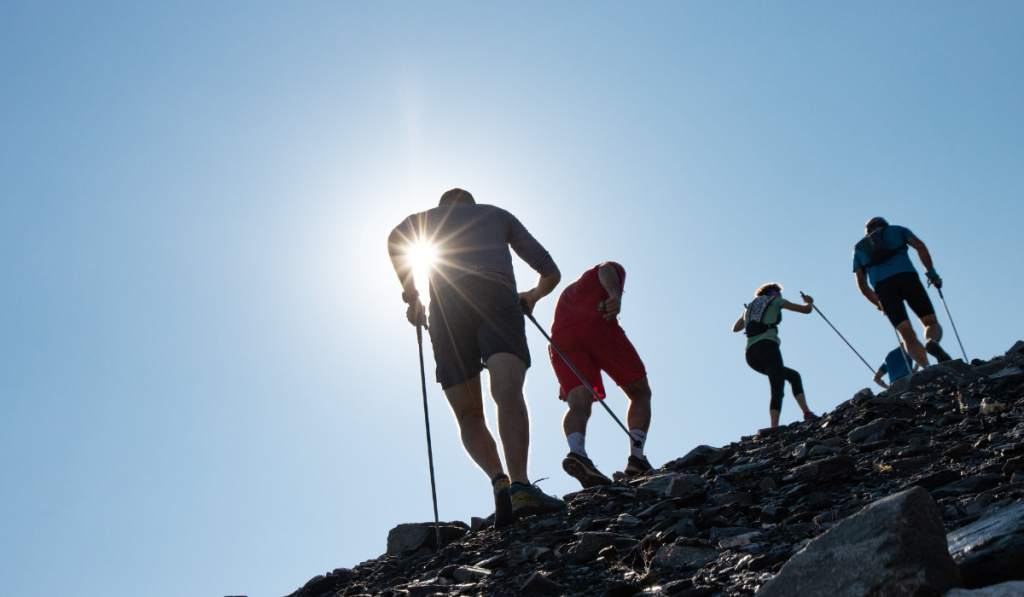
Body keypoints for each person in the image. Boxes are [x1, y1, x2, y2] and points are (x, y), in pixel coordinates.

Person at [387, 188, 564, 527]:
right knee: (507, 392)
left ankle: (497, 479)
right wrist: (533, 295)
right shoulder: (496, 214)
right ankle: (521, 487)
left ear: (442, 207)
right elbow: (549, 270)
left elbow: (396, 238)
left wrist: (412, 295)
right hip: (495, 296)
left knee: (468, 413)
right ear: (471, 202)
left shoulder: (425, 221)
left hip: (446, 307)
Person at [547, 262, 653, 489]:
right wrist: (615, 294)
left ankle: (577, 453)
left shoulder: (569, 292)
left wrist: (563, 380)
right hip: (597, 323)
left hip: (560, 341)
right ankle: (637, 459)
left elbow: (563, 331)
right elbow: (607, 269)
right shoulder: (608, 271)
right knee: (640, 392)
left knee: (578, 404)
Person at [853, 217, 952, 368]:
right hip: (907, 277)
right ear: (885, 225)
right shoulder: (897, 230)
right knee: (930, 321)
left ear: (867, 231)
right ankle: (933, 343)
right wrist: (932, 275)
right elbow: (920, 246)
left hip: (883, 287)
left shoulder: (859, 248)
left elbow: (862, 285)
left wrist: (879, 303)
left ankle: (928, 368)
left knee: (906, 334)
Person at [732, 283, 819, 428]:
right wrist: (809, 301)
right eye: (777, 293)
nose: (779, 296)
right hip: (768, 347)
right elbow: (806, 310)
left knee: (792, 376)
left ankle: (800, 414)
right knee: (778, 386)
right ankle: (781, 424)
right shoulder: (776, 301)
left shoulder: (749, 308)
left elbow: (736, 328)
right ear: (772, 294)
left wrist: (747, 314)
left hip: (750, 355)